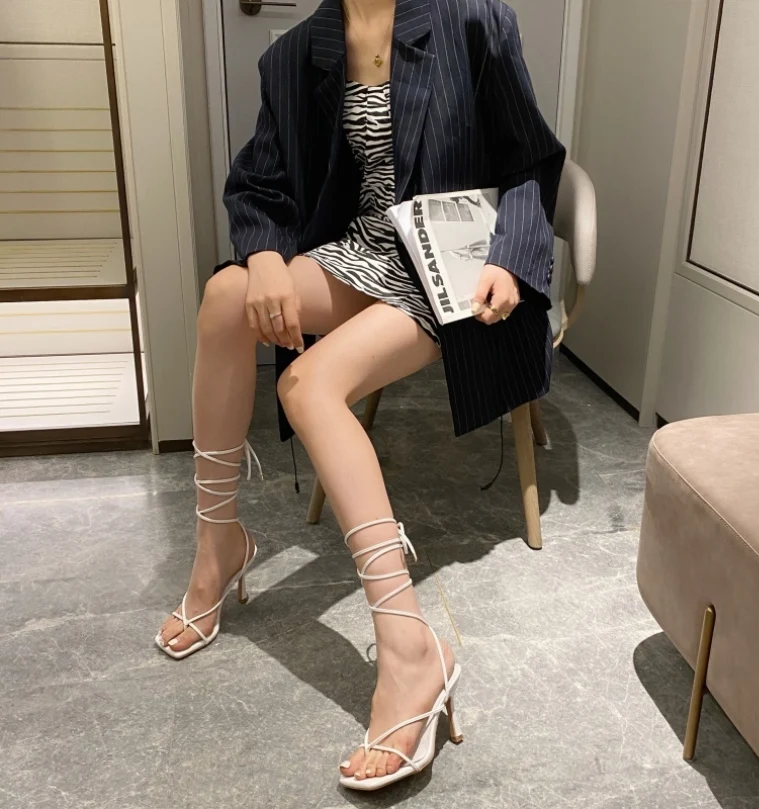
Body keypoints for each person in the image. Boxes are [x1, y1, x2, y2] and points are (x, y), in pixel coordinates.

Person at [155, 0, 564, 791]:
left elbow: (530, 162)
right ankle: (217, 545)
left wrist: (511, 258)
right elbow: (261, 182)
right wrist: (264, 257)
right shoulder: (298, 53)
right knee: (224, 298)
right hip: (367, 250)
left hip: (455, 266)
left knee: (307, 382)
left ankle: (410, 649)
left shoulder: (470, 19)